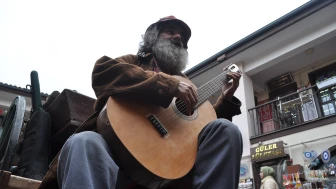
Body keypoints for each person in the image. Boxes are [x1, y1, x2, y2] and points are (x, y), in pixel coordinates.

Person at [57, 16, 243, 189]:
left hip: (169, 176)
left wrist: (225, 101)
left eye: (182, 38)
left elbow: (204, 129)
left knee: (227, 130)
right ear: (153, 38)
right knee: (84, 141)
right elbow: (102, 72)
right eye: (170, 31)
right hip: (114, 165)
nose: (178, 37)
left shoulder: (186, 82)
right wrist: (169, 86)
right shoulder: (134, 62)